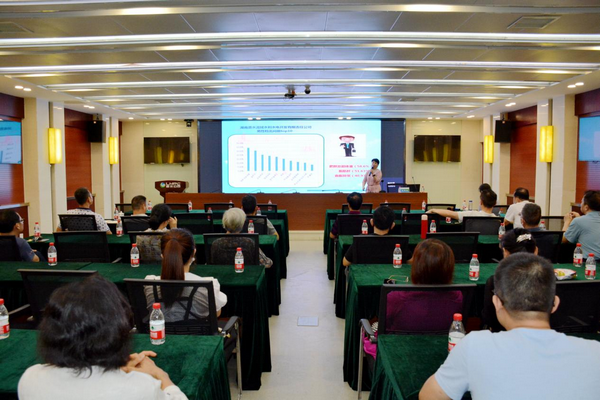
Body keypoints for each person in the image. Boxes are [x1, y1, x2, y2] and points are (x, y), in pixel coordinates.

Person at [421, 253, 600, 400]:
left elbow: (429, 396)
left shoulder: (474, 345)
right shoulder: (595, 352)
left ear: (497, 303)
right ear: (555, 304)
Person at [18, 274, 188, 400]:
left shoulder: (30, 379)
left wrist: (117, 368)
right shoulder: (141, 388)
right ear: (117, 329)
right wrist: (160, 375)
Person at [362, 239, 461, 362]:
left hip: (398, 356)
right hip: (440, 356)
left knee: (373, 327)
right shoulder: (458, 296)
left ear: (416, 266)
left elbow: (385, 325)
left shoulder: (395, 297)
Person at [144, 228, 227, 319]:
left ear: (163, 255)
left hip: (159, 328)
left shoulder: (149, 284)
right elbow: (216, 313)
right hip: (197, 329)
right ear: (194, 252)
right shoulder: (208, 285)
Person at [482, 228, 538, 332]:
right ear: (536, 251)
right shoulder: (547, 281)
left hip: (501, 337)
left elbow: (489, 320)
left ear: (505, 252)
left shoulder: (494, 282)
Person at [562, 190, 600, 260]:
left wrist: (566, 222)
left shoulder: (579, 221)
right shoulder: (579, 220)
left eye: (582, 201)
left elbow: (564, 239)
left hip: (589, 262)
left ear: (586, 207)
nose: (581, 203)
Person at [428, 189, 498, 223]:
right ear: (495, 203)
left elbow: (450, 213)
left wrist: (433, 210)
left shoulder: (471, 215)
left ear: (481, 202)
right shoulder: (498, 220)